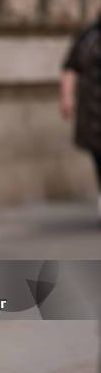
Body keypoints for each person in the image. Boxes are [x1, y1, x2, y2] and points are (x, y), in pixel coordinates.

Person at [60, 14, 101, 225]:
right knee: (97, 153)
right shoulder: (88, 35)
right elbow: (70, 66)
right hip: (91, 108)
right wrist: (66, 98)